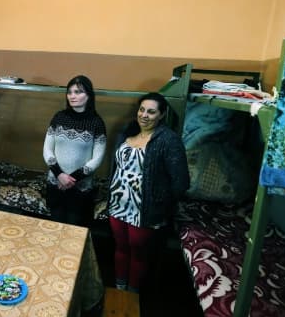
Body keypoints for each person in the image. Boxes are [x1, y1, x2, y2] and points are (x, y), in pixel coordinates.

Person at [108, 92, 190, 293]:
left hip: (144, 210)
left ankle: (132, 295)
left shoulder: (168, 140)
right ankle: (119, 290)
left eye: (151, 112)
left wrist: (160, 204)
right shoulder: (128, 132)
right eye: (142, 110)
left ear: (161, 115)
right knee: (120, 247)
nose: (144, 115)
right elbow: (116, 167)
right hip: (118, 205)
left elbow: (181, 182)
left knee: (138, 253)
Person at [43, 75, 107, 226]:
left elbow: (97, 158)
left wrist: (71, 179)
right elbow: (47, 149)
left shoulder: (96, 122)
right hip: (55, 184)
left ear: (89, 95)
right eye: (70, 92)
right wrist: (59, 175)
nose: (72, 96)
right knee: (54, 228)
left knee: (75, 230)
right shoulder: (59, 117)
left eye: (78, 92)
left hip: (80, 189)